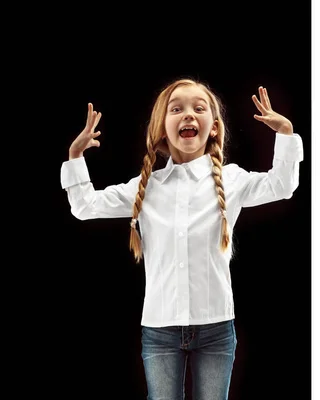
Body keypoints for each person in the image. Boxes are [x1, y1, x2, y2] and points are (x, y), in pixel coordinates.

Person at [61, 79, 304, 399]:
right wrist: (75, 156)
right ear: (162, 127)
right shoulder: (145, 188)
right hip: (159, 328)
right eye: (177, 109)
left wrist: (285, 133)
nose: (188, 115)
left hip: (217, 327)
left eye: (198, 108)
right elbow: (84, 206)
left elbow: (282, 186)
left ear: (214, 127)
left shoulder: (232, 180)